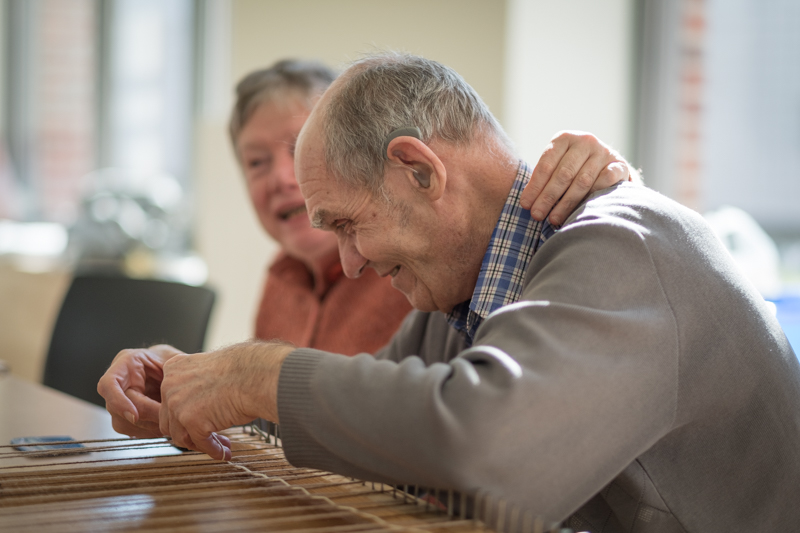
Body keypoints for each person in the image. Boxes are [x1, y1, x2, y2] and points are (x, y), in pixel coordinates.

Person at [99, 53, 800, 530]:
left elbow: (488, 448)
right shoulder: (459, 297)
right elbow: (378, 412)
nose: (349, 263)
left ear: (420, 171)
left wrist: (256, 370)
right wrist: (192, 384)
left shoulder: (622, 245)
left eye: (348, 224)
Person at [231, 59, 633, 354]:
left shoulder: (427, 269)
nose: (284, 178)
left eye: (296, 148)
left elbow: (457, 420)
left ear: (416, 169)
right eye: (256, 162)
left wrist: (257, 377)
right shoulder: (281, 279)